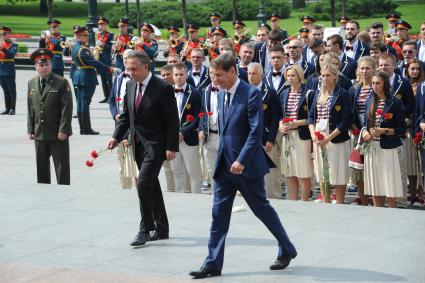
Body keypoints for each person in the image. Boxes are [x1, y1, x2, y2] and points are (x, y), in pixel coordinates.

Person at [189, 53, 297, 279]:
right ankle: (212, 263)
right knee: (218, 215)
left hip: (246, 166)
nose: (215, 80)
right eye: (213, 75)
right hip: (224, 166)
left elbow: (255, 131)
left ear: (232, 72)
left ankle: (286, 247)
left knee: (262, 209)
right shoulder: (219, 94)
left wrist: (242, 160)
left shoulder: (251, 93)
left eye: (219, 75)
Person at [108, 50, 179, 246]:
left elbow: (173, 121)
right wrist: (116, 136)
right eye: (128, 68)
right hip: (137, 145)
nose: (130, 73)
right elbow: (126, 116)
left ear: (146, 67)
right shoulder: (130, 85)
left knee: (144, 183)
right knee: (152, 186)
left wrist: (171, 147)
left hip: (157, 146)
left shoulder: (162, 88)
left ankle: (145, 229)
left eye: (134, 69)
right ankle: (162, 228)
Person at [27, 48, 73, 185]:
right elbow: (31, 107)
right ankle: (43, 191)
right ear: (36, 66)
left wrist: (63, 129)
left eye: (47, 64)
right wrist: (30, 129)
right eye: (41, 65)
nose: (44, 68)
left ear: (51, 65)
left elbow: (67, 108)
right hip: (39, 132)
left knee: (61, 167)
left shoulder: (61, 82)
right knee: (41, 166)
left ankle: (63, 190)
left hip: (57, 133)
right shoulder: (32, 83)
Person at [307, 63, 352, 204]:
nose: (325, 78)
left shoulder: (343, 94)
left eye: (328, 75)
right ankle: (325, 202)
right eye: (323, 75)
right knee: (322, 171)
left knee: (338, 172)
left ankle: (339, 203)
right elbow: (311, 117)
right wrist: (314, 134)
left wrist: (329, 138)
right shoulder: (317, 94)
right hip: (319, 136)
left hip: (335, 136)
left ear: (335, 77)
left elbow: (346, 121)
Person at [362, 72, 406, 208]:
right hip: (372, 147)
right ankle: (377, 213)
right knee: (375, 183)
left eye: (378, 83)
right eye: (373, 83)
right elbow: (365, 123)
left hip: (388, 148)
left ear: (385, 84)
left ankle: (392, 213)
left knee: (390, 184)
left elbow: (401, 128)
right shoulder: (370, 101)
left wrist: (384, 131)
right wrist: (364, 132)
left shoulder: (395, 102)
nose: (374, 86)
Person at [71, 26, 119, 135]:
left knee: (81, 103)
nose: (87, 37)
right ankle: (86, 129)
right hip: (86, 77)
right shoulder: (82, 50)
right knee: (85, 103)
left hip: (79, 76)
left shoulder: (75, 47)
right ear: (79, 36)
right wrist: (110, 68)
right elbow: (94, 63)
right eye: (85, 35)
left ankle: (83, 129)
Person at [279, 65, 313, 201]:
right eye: (288, 75)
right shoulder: (284, 93)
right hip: (287, 136)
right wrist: (281, 124)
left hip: (302, 136)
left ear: (300, 76)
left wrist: (297, 123)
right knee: (290, 171)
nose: (290, 78)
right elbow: (280, 115)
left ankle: (304, 201)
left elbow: (312, 116)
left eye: (293, 75)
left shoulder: (308, 93)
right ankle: (293, 200)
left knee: (303, 172)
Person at [248, 62, 281, 199]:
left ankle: (275, 197)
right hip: (248, 138)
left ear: (261, 74)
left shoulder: (270, 92)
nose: (250, 76)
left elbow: (275, 118)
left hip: (265, 137)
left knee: (271, 173)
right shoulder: (243, 91)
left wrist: (271, 139)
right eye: (249, 73)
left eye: (254, 73)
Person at [170, 63, 202, 193]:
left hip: (188, 138)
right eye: (176, 75)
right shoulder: (166, 92)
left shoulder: (194, 93)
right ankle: (180, 197)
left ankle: (197, 197)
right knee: (177, 171)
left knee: (193, 172)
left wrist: (183, 133)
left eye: (181, 74)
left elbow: (197, 117)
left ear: (186, 75)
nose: (178, 77)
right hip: (172, 139)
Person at [349, 56, 377, 205]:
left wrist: (371, 131)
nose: (365, 71)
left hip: (373, 133)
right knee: (358, 168)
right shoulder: (354, 88)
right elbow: (349, 111)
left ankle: (375, 198)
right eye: (362, 68)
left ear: (374, 70)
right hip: (358, 132)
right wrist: (355, 129)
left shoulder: (378, 87)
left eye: (368, 68)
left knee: (373, 167)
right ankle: (363, 199)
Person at [108, 49, 134, 189]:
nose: (126, 60)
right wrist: (115, 114)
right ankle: (125, 189)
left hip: (133, 126)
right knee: (121, 161)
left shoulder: (137, 79)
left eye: (129, 57)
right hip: (119, 124)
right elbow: (111, 100)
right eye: (124, 58)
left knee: (134, 163)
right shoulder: (118, 78)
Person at [198, 72, 220, 191]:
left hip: (223, 136)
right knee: (211, 169)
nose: (214, 75)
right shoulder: (205, 90)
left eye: (216, 73)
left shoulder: (226, 90)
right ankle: (215, 195)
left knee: (226, 168)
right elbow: (202, 112)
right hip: (209, 136)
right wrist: (201, 129)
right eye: (211, 73)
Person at [95, 16, 114, 103]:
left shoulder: (110, 35)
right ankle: (106, 96)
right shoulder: (98, 35)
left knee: (109, 80)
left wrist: (103, 45)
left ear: (106, 25)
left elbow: (111, 47)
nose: (100, 26)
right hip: (100, 58)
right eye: (99, 24)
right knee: (102, 80)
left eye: (102, 24)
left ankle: (111, 97)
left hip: (107, 58)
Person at [0, 26, 18, 115]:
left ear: (8, 35)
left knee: (11, 90)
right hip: (1, 70)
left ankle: (12, 109)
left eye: (3, 34)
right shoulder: (1, 44)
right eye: (1, 34)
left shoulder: (14, 45)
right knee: (5, 90)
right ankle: (7, 108)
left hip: (9, 70)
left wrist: (2, 49)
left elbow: (11, 55)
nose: (2, 36)